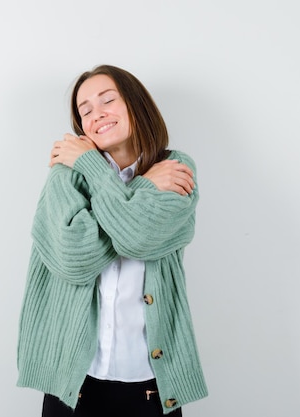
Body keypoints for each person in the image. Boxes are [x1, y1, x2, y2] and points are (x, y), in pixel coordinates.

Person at [16, 65, 208, 416]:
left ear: (136, 105)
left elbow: (138, 238)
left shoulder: (176, 168)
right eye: (85, 110)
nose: (97, 113)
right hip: (73, 384)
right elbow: (75, 258)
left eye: (107, 100)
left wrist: (92, 165)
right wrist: (138, 186)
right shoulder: (66, 175)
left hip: (151, 384)